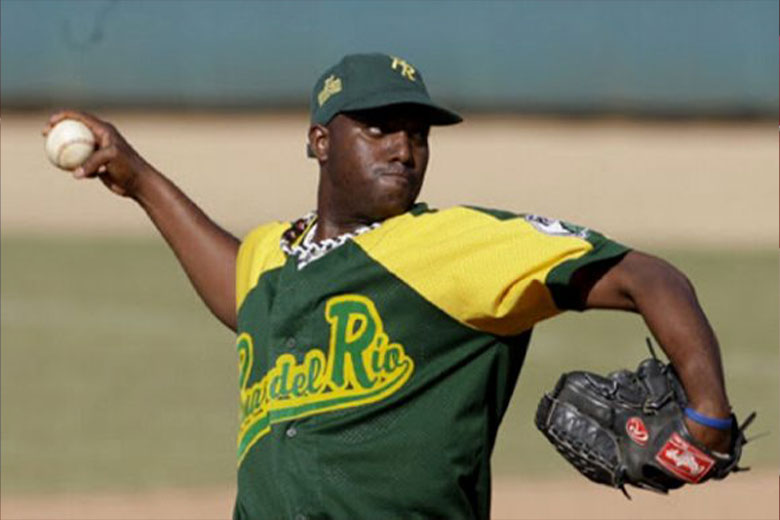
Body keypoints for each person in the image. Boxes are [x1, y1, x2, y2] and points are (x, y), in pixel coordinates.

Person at [45, 53, 735, 520]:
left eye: (417, 135)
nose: (404, 150)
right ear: (320, 141)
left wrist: (707, 417)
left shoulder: (460, 244)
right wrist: (136, 179)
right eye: (378, 129)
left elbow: (649, 276)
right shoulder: (274, 257)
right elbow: (237, 286)